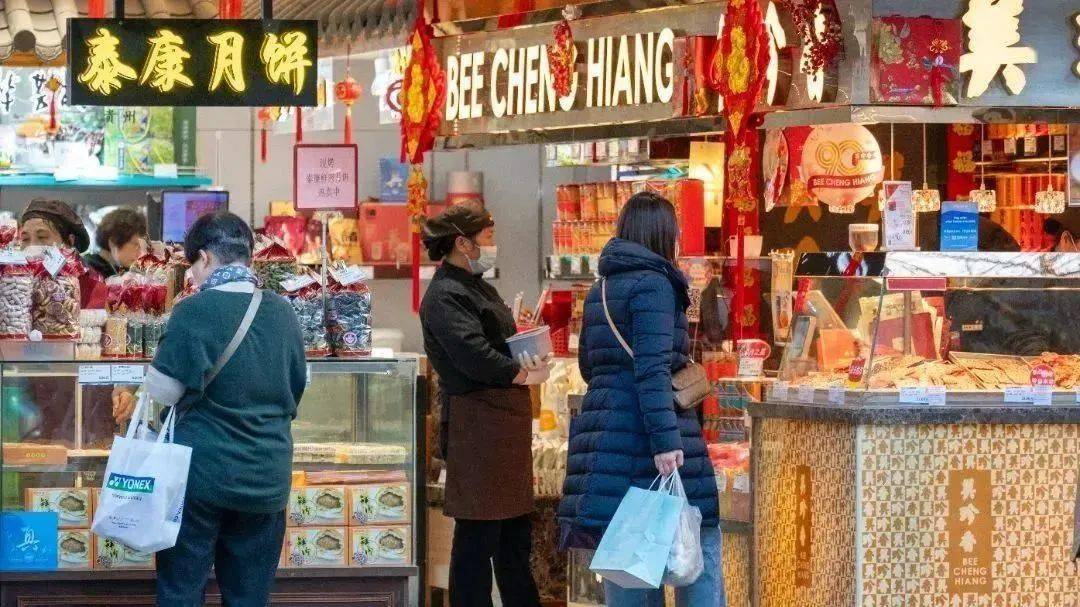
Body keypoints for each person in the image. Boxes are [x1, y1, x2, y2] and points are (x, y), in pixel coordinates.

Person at [116, 211, 306, 606]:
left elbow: (164, 392)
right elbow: (297, 386)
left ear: (202, 258)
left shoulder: (193, 310)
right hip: (267, 477)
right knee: (249, 597)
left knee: (182, 589)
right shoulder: (284, 312)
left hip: (201, 477)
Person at [558, 192, 723, 606]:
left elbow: (588, 366)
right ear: (663, 234)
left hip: (606, 444)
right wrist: (667, 444)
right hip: (650, 437)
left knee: (628, 561)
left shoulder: (602, 287)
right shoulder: (655, 285)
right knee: (698, 557)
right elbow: (651, 370)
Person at [419, 205, 545, 607]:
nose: (493, 246)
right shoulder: (444, 295)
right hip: (478, 428)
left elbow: (495, 340)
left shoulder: (477, 285)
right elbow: (473, 355)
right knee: (477, 540)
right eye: (488, 238)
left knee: (513, 538)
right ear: (462, 243)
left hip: (502, 428)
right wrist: (519, 373)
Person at [18, 198, 108, 308]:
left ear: (69, 241)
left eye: (42, 237)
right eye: (25, 239)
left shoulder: (91, 287)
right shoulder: (13, 283)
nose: (32, 246)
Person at [83, 207, 148, 278]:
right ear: (113, 242)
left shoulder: (123, 269)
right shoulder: (88, 269)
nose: (140, 252)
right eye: (136, 245)